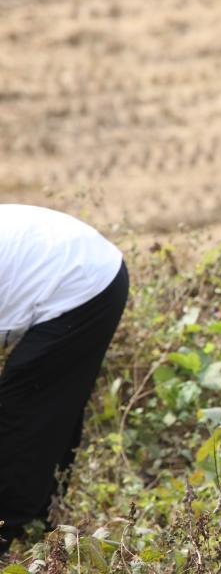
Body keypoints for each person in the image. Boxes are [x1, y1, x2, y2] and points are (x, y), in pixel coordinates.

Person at [0, 205, 129, 556]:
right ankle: (44, 523)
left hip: (83, 283)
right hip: (80, 264)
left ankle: (8, 530)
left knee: (23, 408)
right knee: (51, 405)